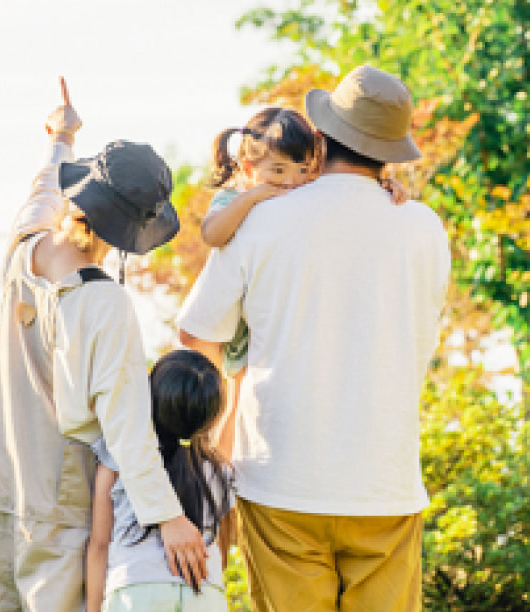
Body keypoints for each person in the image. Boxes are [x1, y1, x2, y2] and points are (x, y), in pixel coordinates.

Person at [177, 65, 451, 611]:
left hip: (279, 478)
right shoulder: (425, 227)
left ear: (319, 139)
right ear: (390, 153)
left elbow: (197, 334)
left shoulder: (260, 219)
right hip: (385, 483)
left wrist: (214, 434)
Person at [0, 78, 208, 612]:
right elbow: (127, 427)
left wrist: (61, 136)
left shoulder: (23, 249)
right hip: (58, 504)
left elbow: (43, 190)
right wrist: (169, 517)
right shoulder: (105, 303)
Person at [200, 107, 406, 459]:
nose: (292, 181)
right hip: (240, 317)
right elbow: (212, 235)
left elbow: (347, 188)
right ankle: (218, 465)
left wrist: (381, 185)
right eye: (278, 170)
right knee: (236, 398)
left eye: (303, 170)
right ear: (248, 168)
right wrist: (252, 197)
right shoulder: (236, 198)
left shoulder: (301, 193)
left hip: (274, 313)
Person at [85, 349, 235, 612]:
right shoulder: (221, 471)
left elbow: (99, 545)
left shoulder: (121, 455)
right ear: (212, 417)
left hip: (137, 588)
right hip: (204, 592)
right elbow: (223, 549)